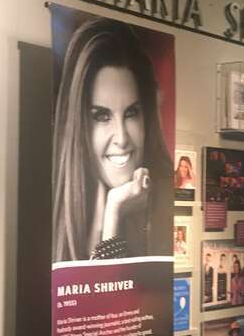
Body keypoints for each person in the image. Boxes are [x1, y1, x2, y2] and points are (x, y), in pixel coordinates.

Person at [52, 17, 172, 261]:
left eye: (131, 113)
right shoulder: (56, 210)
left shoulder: (168, 200)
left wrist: (114, 211)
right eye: (102, 116)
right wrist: (110, 215)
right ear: (78, 124)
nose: (121, 137)